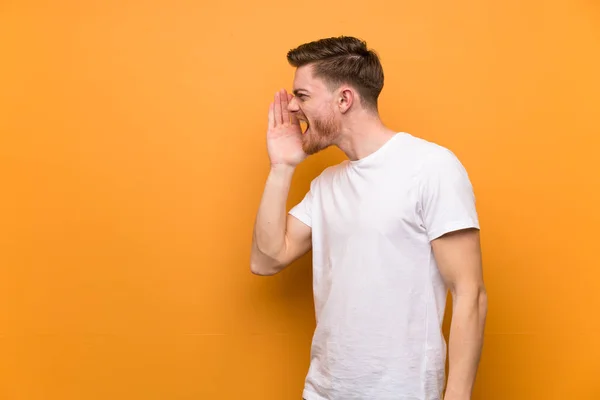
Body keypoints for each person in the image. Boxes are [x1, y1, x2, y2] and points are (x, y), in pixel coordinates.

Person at [250, 36, 487, 400]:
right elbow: (266, 260)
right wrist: (281, 167)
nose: (293, 108)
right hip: (324, 391)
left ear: (344, 99)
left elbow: (470, 293)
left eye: (303, 95)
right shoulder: (326, 185)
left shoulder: (431, 167)